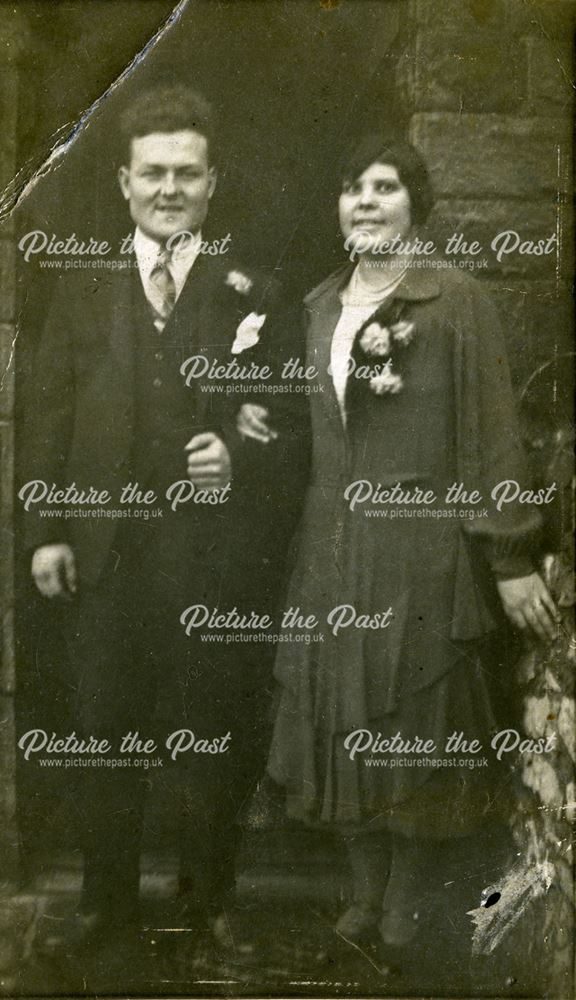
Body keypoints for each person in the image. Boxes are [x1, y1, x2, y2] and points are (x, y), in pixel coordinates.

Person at [238, 136, 559, 950]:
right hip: (331, 548)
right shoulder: (315, 307)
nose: (366, 202)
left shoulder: (455, 303)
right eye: (353, 189)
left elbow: (493, 435)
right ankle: (363, 891)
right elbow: (295, 436)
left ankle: (407, 900)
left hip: (419, 552)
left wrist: (511, 556)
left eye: (385, 187)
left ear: (417, 203)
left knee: (410, 711)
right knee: (337, 715)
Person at [21, 84, 305, 952]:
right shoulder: (78, 291)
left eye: (187, 173)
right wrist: (47, 531)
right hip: (105, 554)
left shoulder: (253, 290)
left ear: (212, 183)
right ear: (123, 182)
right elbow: (47, 419)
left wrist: (240, 456)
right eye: (153, 173)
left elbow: (291, 425)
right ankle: (107, 902)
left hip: (208, 557)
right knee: (103, 729)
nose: (169, 188)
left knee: (208, 729)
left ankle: (208, 900)